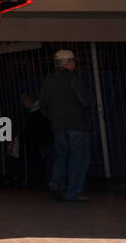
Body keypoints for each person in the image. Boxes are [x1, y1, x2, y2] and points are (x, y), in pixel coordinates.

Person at [38, 49, 92, 203]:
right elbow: (85, 102)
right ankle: (72, 193)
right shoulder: (73, 79)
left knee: (61, 156)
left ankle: (56, 182)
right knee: (78, 158)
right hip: (77, 125)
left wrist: (54, 117)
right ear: (68, 62)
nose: (74, 64)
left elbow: (42, 104)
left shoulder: (48, 80)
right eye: (73, 61)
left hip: (57, 126)